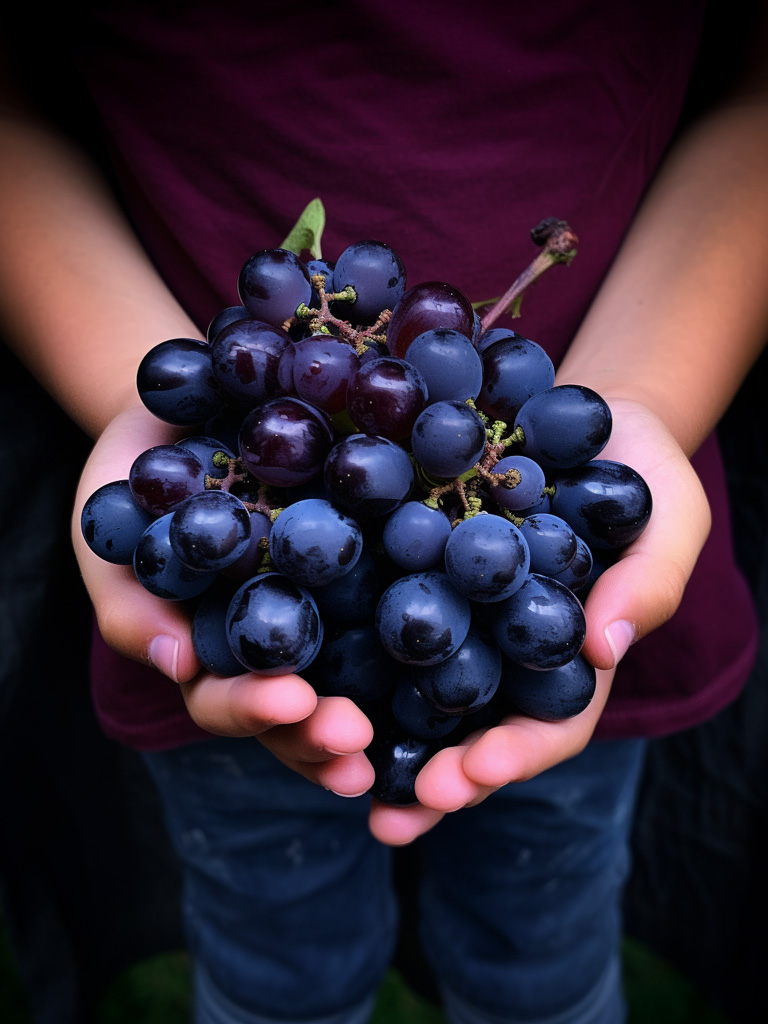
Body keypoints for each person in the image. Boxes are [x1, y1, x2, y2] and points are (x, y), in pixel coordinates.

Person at [0, 1, 766, 1022]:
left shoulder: (501, 509)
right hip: (237, 635)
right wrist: (125, 400)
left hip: (577, 603)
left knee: (542, 964)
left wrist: (650, 402)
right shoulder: (270, 483)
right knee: (278, 977)